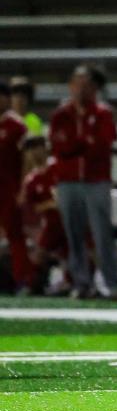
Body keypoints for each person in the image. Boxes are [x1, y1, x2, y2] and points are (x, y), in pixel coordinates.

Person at [49, 65, 117, 299]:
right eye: (77, 84)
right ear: (70, 86)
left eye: (86, 85)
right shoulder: (61, 115)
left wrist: (77, 145)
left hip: (96, 180)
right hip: (68, 181)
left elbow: (102, 145)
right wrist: (83, 143)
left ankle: (113, 284)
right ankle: (81, 283)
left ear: (94, 88)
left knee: (102, 235)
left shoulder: (103, 113)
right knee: (74, 234)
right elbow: (60, 147)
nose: (81, 90)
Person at [20, 136, 71, 294]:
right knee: (39, 254)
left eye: (37, 148)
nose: (34, 154)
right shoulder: (32, 179)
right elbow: (33, 206)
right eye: (30, 150)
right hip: (51, 224)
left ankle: (71, 282)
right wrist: (51, 204)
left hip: (68, 221)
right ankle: (32, 285)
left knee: (76, 253)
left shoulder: (58, 167)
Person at [0, 81, 34, 294]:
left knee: (15, 236)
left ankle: (24, 280)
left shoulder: (17, 125)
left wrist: (24, 187)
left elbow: (27, 159)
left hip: (8, 188)